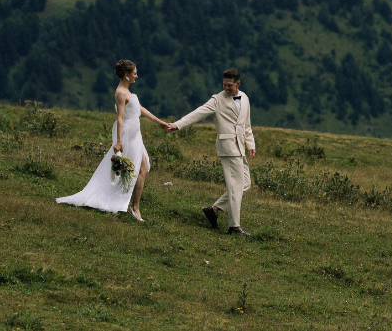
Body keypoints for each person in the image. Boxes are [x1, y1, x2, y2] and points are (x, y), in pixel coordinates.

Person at [57, 59, 171, 221]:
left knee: (142, 169)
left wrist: (159, 122)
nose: (136, 76)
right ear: (126, 75)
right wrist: (119, 141)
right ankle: (133, 207)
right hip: (128, 134)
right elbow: (120, 117)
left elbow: (139, 108)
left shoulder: (128, 92)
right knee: (139, 169)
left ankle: (134, 207)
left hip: (135, 133)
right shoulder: (120, 93)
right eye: (134, 73)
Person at [166, 68, 258, 236]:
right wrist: (177, 125)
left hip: (240, 148)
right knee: (235, 186)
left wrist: (250, 144)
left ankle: (214, 209)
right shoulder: (217, 100)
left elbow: (246, 124)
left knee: (245, 183)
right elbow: (197, 113)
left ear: (238, 84)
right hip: (228, 148)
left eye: (230, 85)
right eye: (224, 84)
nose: (226, 88)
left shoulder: (244, 98)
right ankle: (234, 227)